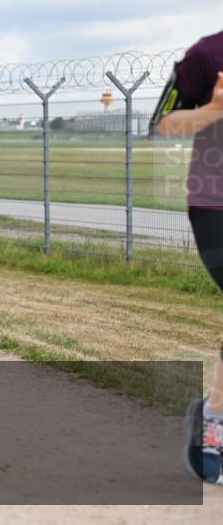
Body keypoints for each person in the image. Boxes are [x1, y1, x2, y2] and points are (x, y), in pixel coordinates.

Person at [156, 29, 223, 485]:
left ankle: (213, 414)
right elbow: (163, 123)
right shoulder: (207, 54)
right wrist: (214, 111)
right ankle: (214, 422)